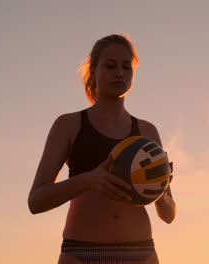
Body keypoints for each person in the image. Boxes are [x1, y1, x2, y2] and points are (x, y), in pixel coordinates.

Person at [28, 34, 176, 264]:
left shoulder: (147, 131)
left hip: (141, 253)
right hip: (81, 252)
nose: (119, 72)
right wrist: (88, 180)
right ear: (93, 71)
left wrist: (160, 188)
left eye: (126, 67)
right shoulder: (69, 125)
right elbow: (36, 201)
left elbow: (168, 215)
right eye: (110, 65)